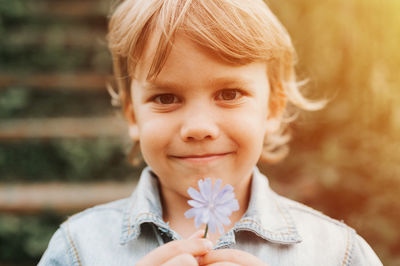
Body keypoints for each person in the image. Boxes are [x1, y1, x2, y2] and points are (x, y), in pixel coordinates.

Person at [39, 0, 383, 265]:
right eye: (166, 98)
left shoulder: (338, 253)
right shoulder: (78, 249)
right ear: (133, 114)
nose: (199, 127)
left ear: (273, 107)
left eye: (229, 94)